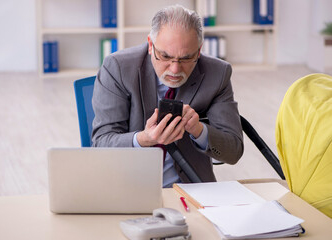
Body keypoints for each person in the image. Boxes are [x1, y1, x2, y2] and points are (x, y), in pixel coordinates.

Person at [92, 4, 243, 187]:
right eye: (165, 56)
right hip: (129, 187)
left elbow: (233, 150)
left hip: (191, 190)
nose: (175, 69)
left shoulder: (217, 73)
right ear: (150, 45)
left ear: (199, 49)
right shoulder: (117, 68)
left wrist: (198, 129)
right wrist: (144, 138)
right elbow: (101, 144)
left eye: (186, 58)